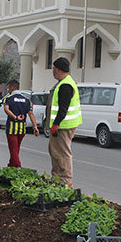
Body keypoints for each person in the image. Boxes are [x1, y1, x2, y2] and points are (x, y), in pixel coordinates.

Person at [47, 57, 82, 187]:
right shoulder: (63, 83)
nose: (52, 71)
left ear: (58, 69)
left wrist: (55, 125)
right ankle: (56, 178)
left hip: (64, 126)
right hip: (61, 125)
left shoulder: (66, 85)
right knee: (55, 152)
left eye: (53, 68)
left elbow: (63, 108)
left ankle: (66, 180)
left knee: (63, 153)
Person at [2, 79, 39, 167]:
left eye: (8, 88)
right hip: (22, 129)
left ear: (12, 87)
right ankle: (11, 165)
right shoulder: (27, 100)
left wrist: (14, 117)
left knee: (13, 150)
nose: (8, 90)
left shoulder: (8, 98)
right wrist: (35, 127)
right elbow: (31, 114)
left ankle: (17, 167)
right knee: (16, 149)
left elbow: (6, 109)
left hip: (11, 128)